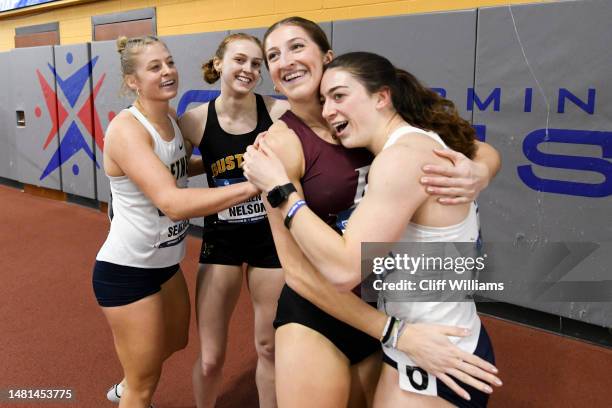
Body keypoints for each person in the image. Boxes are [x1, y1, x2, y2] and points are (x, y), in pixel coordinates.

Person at [242, 17, 502, 408]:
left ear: (327, 58)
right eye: (273, 55)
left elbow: (474, 147)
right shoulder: (277, 147)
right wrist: (394, 332)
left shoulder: (373, 118)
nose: (285, 60)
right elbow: (297, 271)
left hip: (386, 303)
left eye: (297, 46)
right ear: (274, 81)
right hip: (326, 311)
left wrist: (478, 172)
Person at [94, 35, 260, 408]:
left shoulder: (169, 117)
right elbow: (173, 201)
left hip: (165, 264)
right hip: (126, 270)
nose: (168, 71)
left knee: (176, 342)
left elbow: (179, 170)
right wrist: (253, 185)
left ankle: (133, 374)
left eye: (168, 62)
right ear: (132, 82)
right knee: (145, 381)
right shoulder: (127, 130)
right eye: (155, 67)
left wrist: (230, 159)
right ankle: (131, 387)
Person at [177, 33, 289, 408]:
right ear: (220, 62)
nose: (249, 70)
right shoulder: (193, 122)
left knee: (268, 347)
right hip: (220, 240)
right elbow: (172, 170)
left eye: (257, 64)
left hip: (268, 239)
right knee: (210, 359)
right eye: (240, 60)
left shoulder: (277, 114)